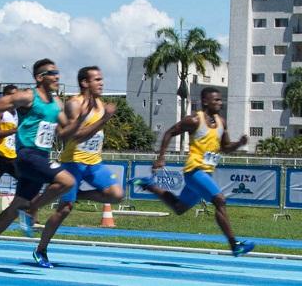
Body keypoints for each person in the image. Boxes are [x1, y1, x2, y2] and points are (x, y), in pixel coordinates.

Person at [0, 58, 88, 269]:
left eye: (58, 72)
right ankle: (31, 211)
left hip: (41, 158)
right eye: (52, 73)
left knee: (14, 208)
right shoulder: (28, 96)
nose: (57, 76)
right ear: (40, 77)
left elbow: (65, 132)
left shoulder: (57, 104)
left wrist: (81, 122)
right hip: (27, 156)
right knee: (67, 181)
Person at [129, 87, 255, 257]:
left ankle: (149, 185)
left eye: (220, 100)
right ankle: (235, 245)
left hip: (206, 173)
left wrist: (239, 144)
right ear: (205, 101)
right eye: (215, 100)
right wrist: (161, 157)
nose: (219, 102)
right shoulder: (194, 120)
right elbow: (169, 132)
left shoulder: (221, 122)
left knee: (179, 207)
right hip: (194, 171)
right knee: (219, 200)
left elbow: (225, 147)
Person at [32, 66, 123, 268]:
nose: (101, 83)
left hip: (94, 162)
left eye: (102, 79)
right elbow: (76, 136)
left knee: (116, 195)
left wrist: (103, 116)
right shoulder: (75, 104)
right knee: (65, 209)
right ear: (84, 82)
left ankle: (77, 195)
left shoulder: (100, 103)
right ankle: (41, 249)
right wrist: (105, 119)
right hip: (73, 162)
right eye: (97, 79)